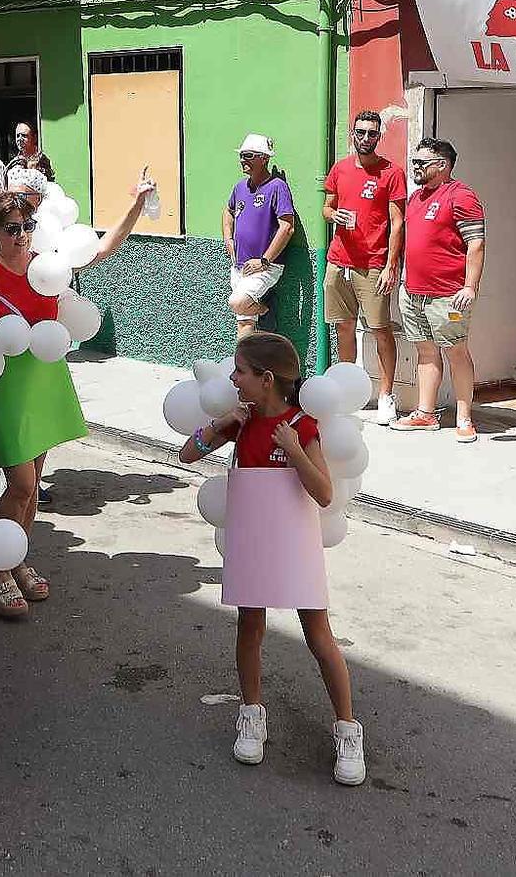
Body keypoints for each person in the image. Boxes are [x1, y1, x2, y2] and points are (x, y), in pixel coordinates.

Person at [180, 332, 365, 786]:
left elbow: (322, 493)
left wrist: (296, 449)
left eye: (240, 371)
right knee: (250, 625)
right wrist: (221, 424)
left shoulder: (302, 425)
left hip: (294, 542)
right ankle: (251, 713)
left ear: (265, 379)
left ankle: (347, 729)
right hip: (253, 539)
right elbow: (186, 454)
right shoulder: (240, 423)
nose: (232, 377)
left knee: (318, 633)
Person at [0, 177, 154, 619]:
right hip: (1, 382)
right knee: (21, 483)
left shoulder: (47, 263)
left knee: (32, 488)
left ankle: (15, 557)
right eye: (11, 227)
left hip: (45, 377)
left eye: (26, 225)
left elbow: (104, 249)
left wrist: (137, 203)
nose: (21, 234)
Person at [392, 139, 485, 443]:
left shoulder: (461, 196)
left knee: (456, 351)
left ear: (443, 166)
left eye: (422, 163)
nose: (415, 167)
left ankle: (464, 418)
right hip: (413, 292)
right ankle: (425, 413)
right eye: (414, 161)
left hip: (449, 296)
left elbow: (476, 243)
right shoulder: (416, 198)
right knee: (425, 351)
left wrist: (470, 286)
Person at [322, 112, 406, 420]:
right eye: (361, 132)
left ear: (379, 136)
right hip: (338, 261)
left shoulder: (391, 172)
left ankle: (386, 394)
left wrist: (390, 265)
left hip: (373, 263)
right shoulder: (340, 169)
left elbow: (397, 223)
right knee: (343, 327)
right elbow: (327, 208)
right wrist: (334, 216)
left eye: (372, 133)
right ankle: (348, 393)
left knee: (380, 329)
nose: (366, 138)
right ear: (352, 135)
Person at [224, 135, 296, 338]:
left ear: (264, 158)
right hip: (239, 265)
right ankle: (245, 367)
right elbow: (228, 211)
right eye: (241, 156)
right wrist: (228, 240)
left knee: (237, 303)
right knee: (244, 322)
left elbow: (287, 227)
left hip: (266, 266)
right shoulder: (240, 187)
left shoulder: (277, 187)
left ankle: (264, 308)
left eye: (248, 155)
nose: (242, 160)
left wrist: (264, 260)